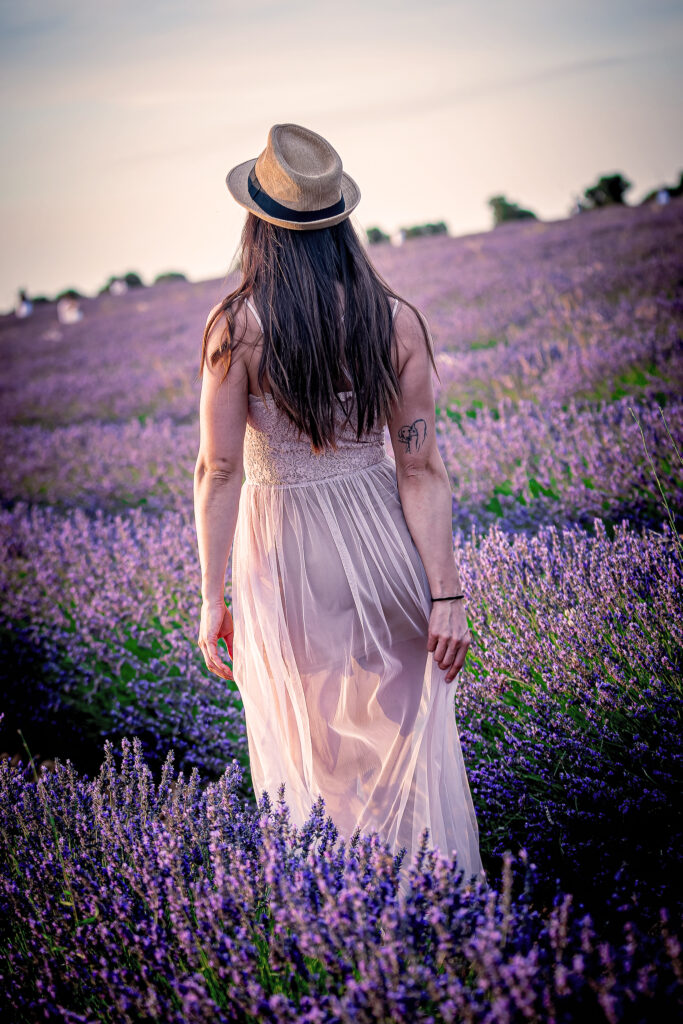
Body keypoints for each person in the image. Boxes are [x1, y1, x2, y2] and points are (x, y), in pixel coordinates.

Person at [193, 123, 485, 896]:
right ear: (339, 222)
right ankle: (438, 915)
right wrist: (446, 593)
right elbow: (420, 467)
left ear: (258, 223)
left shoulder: (235, 328)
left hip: (282, 558)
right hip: (383, 543)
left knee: (316, 760)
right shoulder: (395, 321)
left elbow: (218, 470)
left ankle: (348, 925)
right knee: (401, 747)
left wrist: (209, 596)